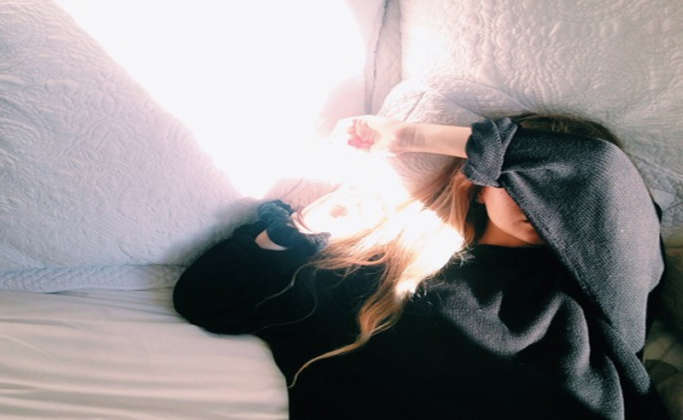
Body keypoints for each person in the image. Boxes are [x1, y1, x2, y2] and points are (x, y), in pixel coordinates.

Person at [173, 113, 668, 419]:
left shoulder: (601, 287)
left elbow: (598, 168)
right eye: (519, 183)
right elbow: (207, 302)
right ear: (477, 184)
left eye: (563, 196)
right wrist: (301, 227)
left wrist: (407, 134)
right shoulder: (389, 270)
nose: (542, 205)